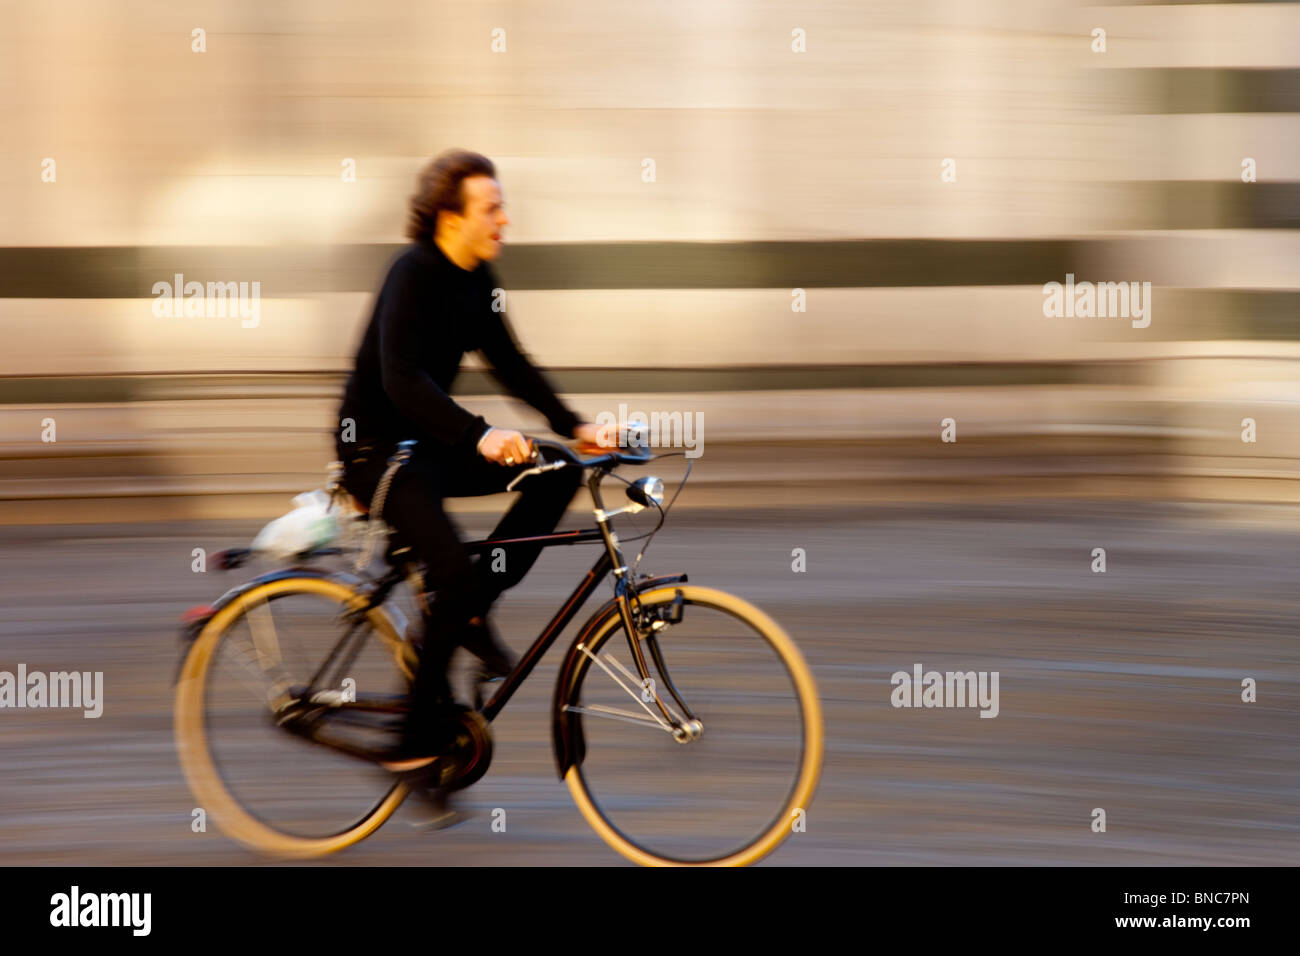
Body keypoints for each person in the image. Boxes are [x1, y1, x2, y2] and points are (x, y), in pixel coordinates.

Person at [334, 149, 607, 815]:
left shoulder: (477, 276)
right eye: (491, 209)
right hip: (376, 452)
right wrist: (477, 434)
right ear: (449, 218)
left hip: (430, 445)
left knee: (558, 472)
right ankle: (408, 741)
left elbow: (511, 362)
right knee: (452, 577)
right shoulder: (412, 271)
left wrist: (576, 427)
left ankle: (466, 610)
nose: (504, 220)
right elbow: (401, 378)